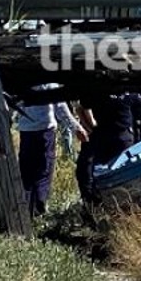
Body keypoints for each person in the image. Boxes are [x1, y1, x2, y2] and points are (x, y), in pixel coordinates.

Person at [16, 84, 87, 217]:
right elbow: (60, 107)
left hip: (26, 131)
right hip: (45, 131)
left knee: (27, 171)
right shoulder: (48, 82)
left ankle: (25, 208)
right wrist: (76, 127)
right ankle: (39, 207)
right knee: (44, 170)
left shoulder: (20, 81)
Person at [75, 91, 141, 202]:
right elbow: (81, 108)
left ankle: (115, 200)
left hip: (119, 137)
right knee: (96, 172)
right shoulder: (101, 91)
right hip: (109, 137)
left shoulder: (102, 90)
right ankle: (98, 201)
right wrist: (89, 127)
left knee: (118, 171)